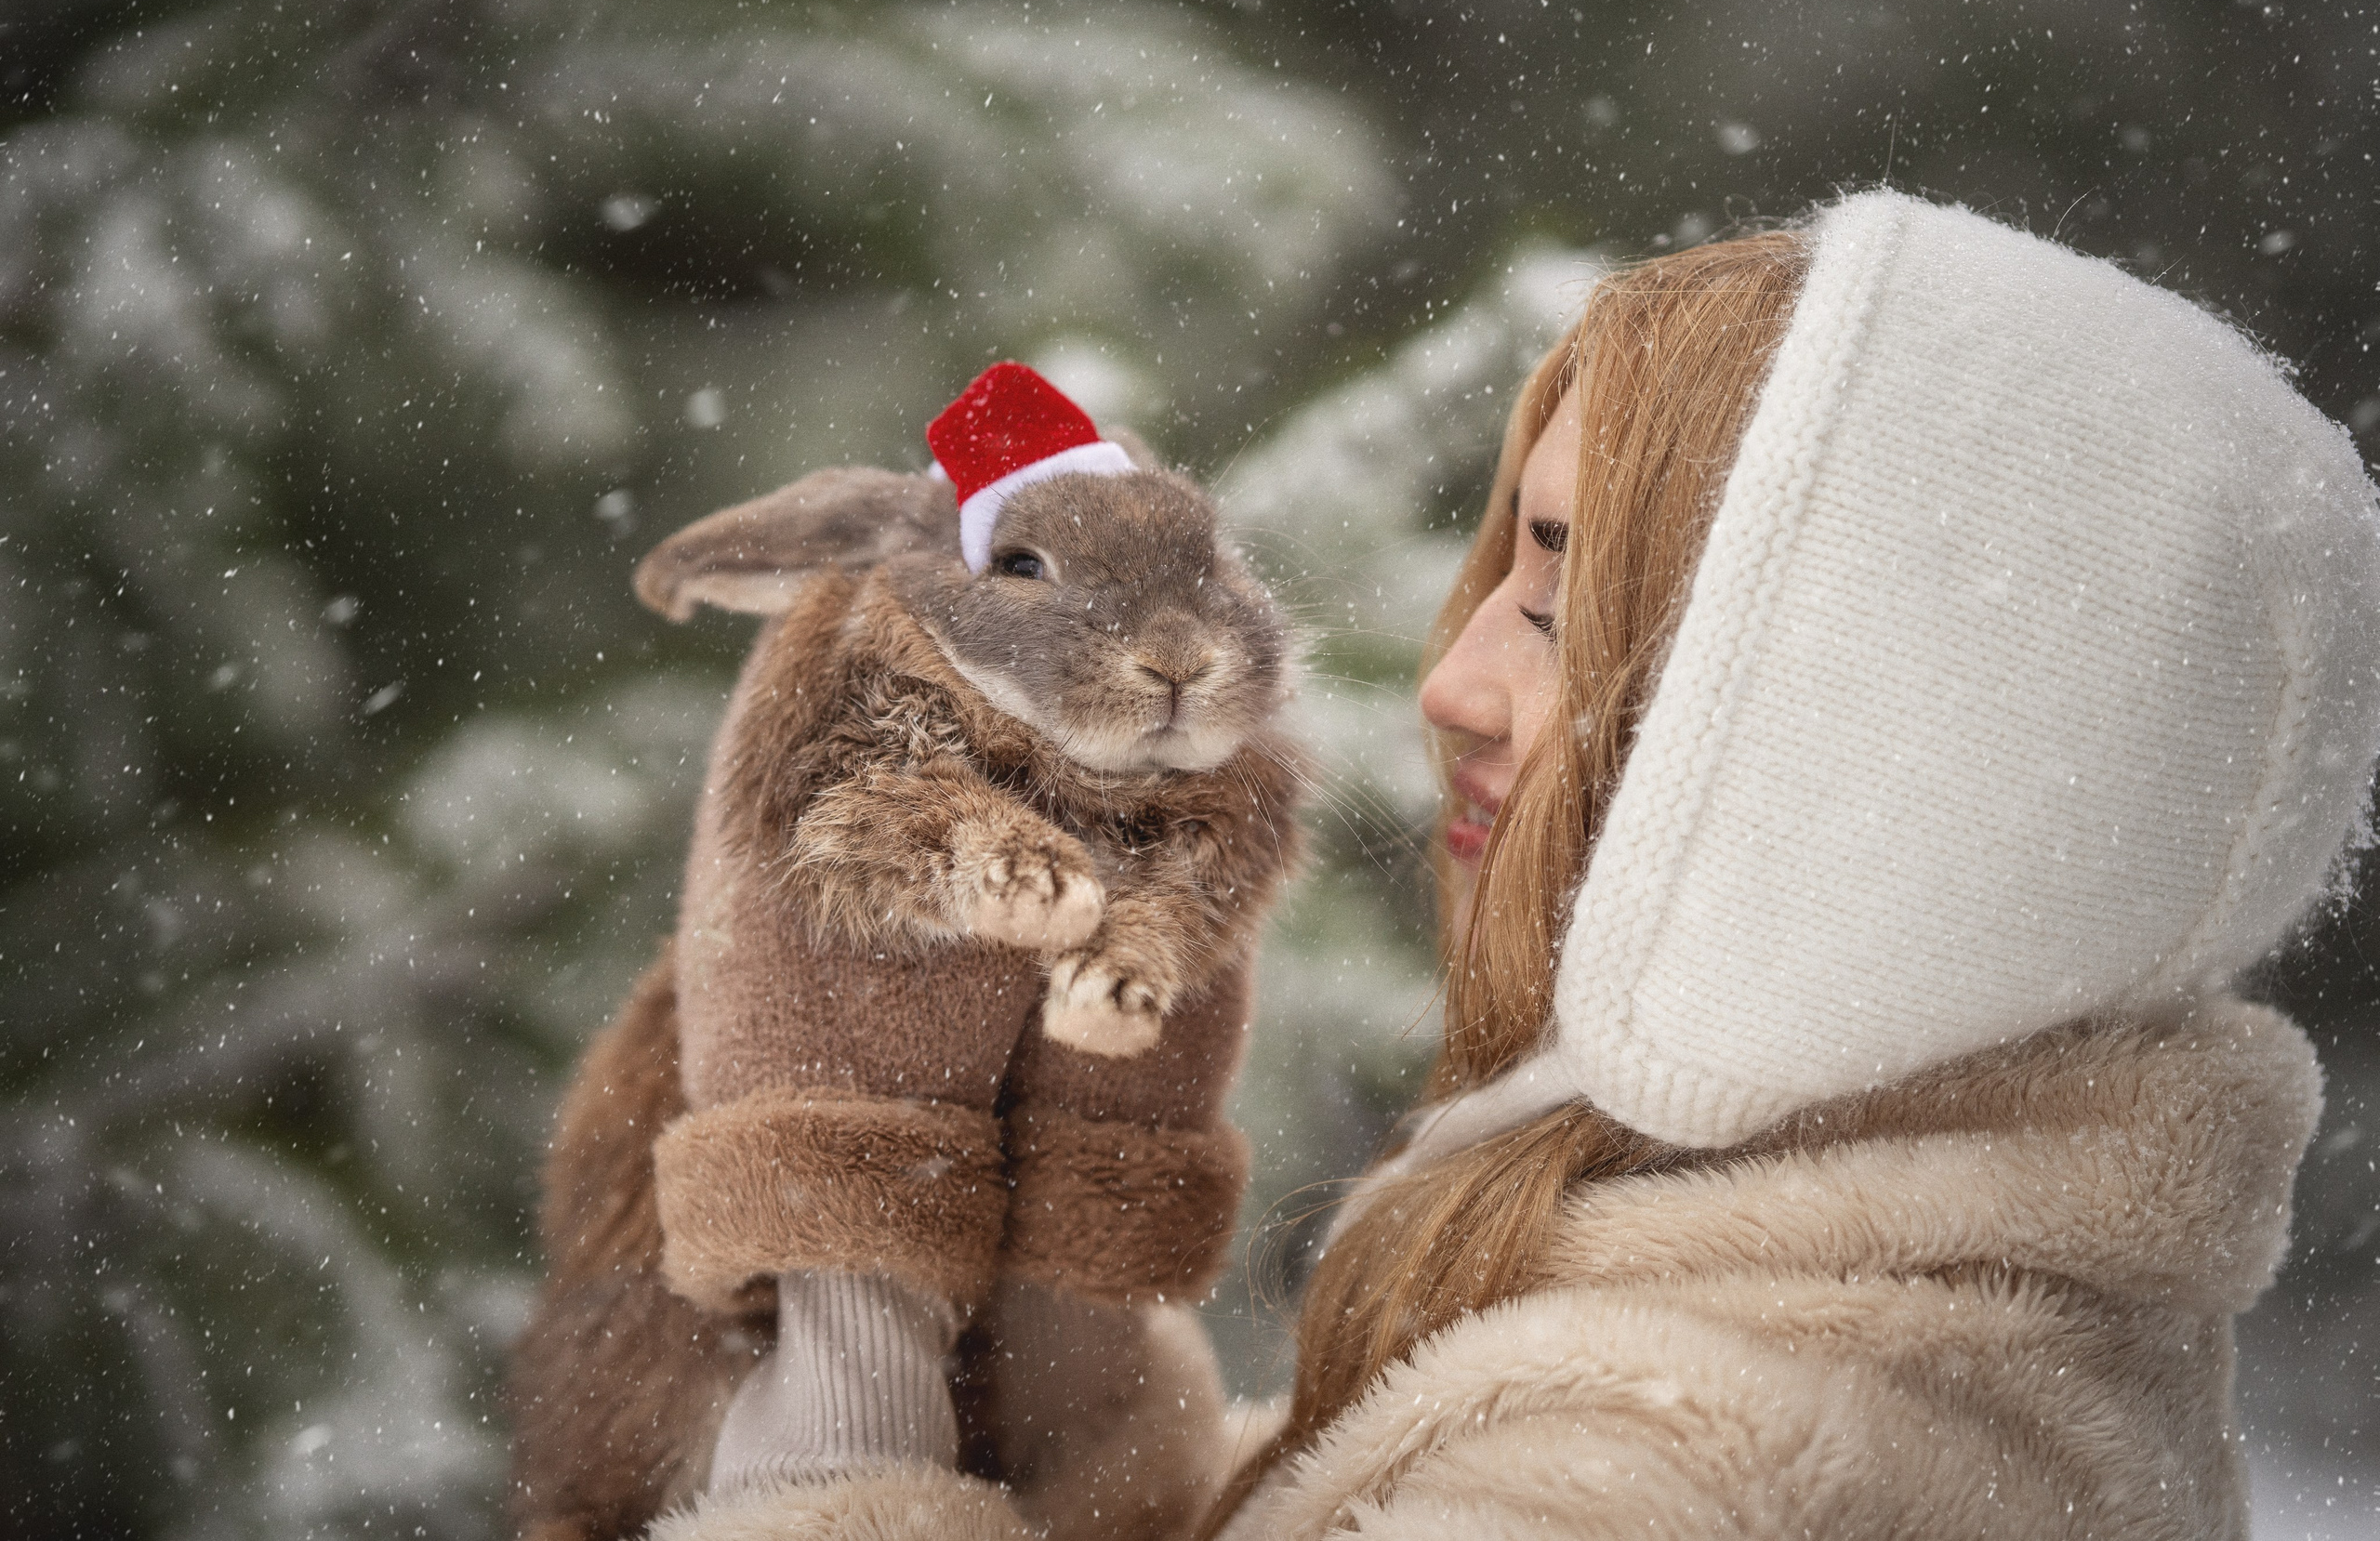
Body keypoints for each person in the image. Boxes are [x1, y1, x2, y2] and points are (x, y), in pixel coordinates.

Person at [647, 190, 2378, 1540]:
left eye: (1562, 601)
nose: (1452, 681)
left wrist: (837, 1437)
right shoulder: (1879, 1333)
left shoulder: (1672, 1478)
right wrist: (1048, 1353)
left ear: (1857, 761)